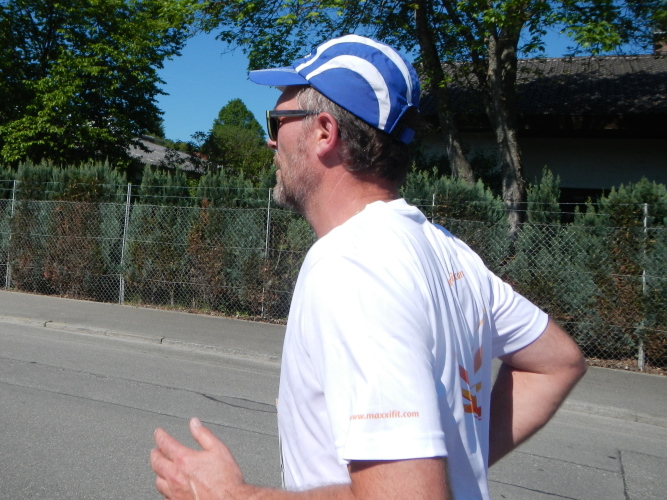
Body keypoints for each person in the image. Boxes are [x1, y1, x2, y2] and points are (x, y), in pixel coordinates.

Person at [150, 34, 587, 500]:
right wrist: (458, 469)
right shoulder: (447, 250)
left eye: (276, 121)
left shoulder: (354, 266)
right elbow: (557, 363)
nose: (269, 139)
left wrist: (231, 496)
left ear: (324, 132)